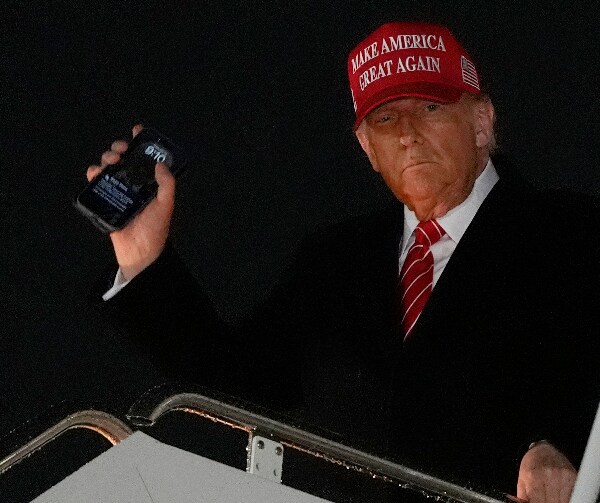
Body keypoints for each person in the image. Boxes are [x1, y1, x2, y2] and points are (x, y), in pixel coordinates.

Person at [86, 22, 599, 502]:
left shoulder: (575, 233)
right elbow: (233, 386)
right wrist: (145, 257)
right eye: (385, 118)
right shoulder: (336, 261)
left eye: (430, 107)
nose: (407, 133)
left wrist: (561, 445)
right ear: (367, 147)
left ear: (482, 122)